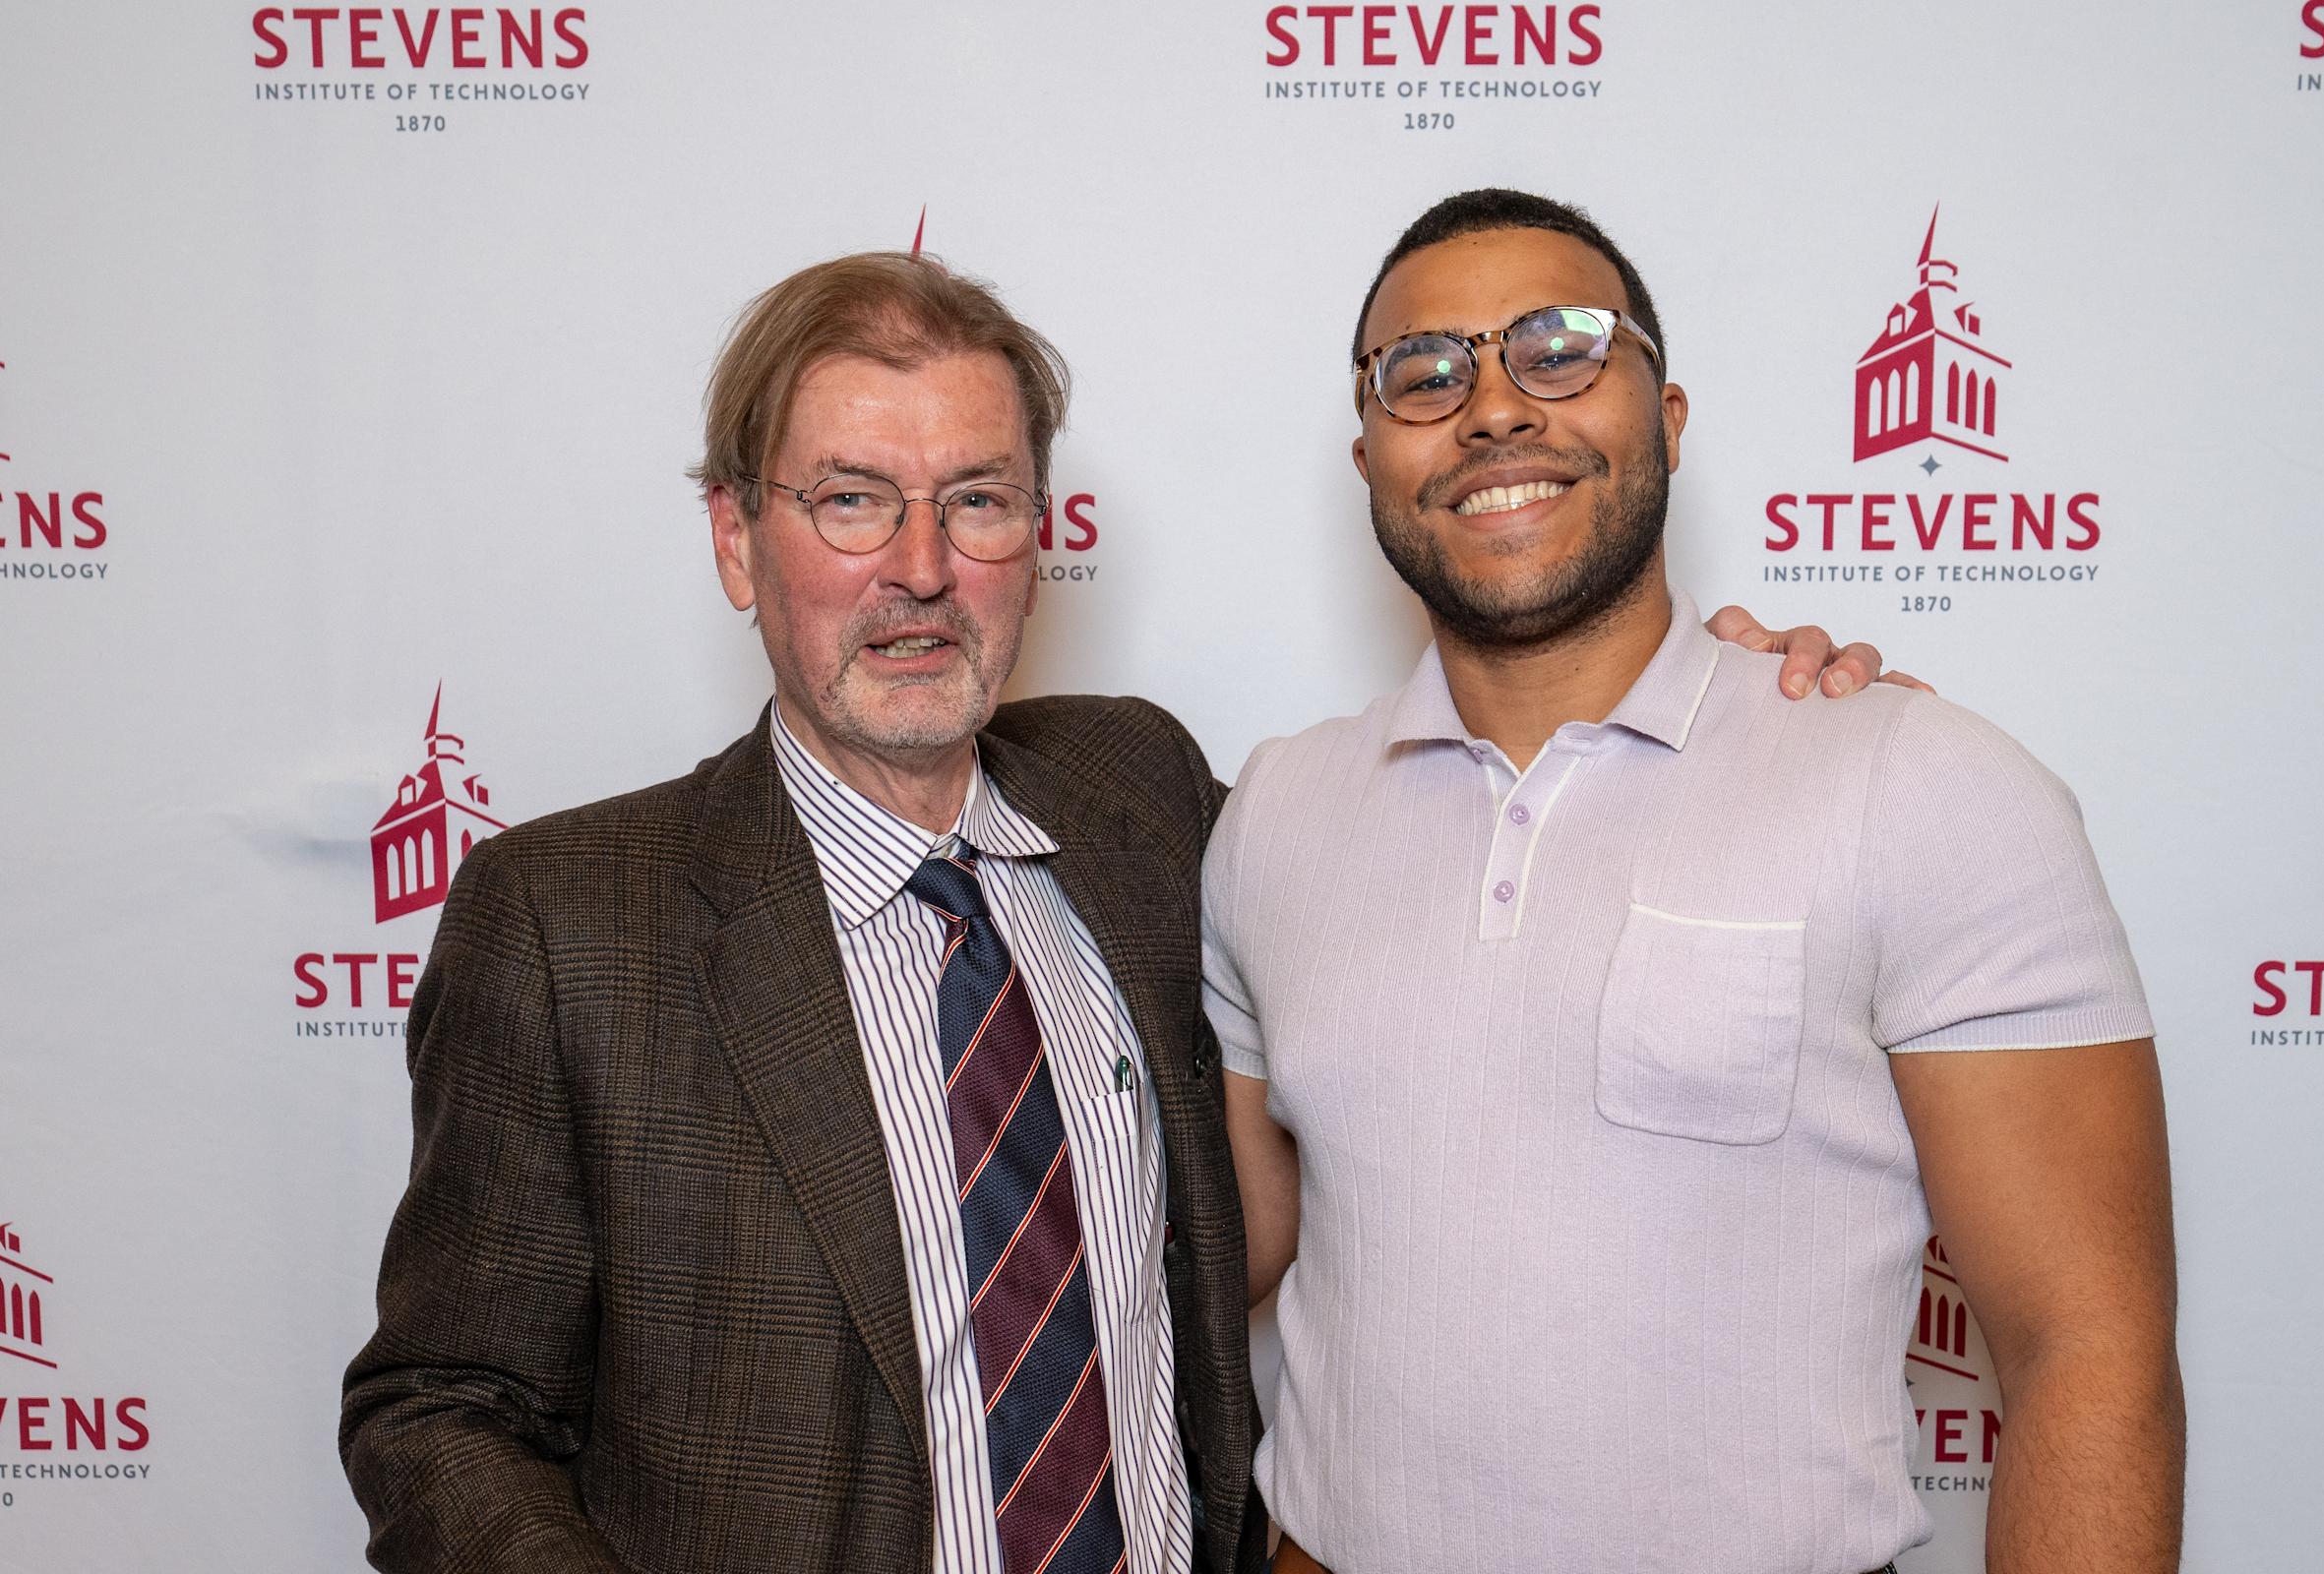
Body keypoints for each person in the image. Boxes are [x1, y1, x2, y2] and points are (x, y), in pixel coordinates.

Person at [339, 249, 1895, 1574]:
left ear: (1040, 537)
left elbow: (1452, 894)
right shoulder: (565, 921)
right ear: (738, 541)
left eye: (981, 501)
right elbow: (441, 1410)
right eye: (852, 502)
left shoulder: (1146, 804)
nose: (924, 571)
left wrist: (1742, 703)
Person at [1208, 190, 2183, 1574]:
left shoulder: (1919, 781)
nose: (1493, 409)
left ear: (1665, 420)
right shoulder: (1274, 814)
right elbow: (1219, 1251)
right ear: (1368, 455)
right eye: (1425, 374)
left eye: (1561, 349)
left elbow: (2092, 1348)